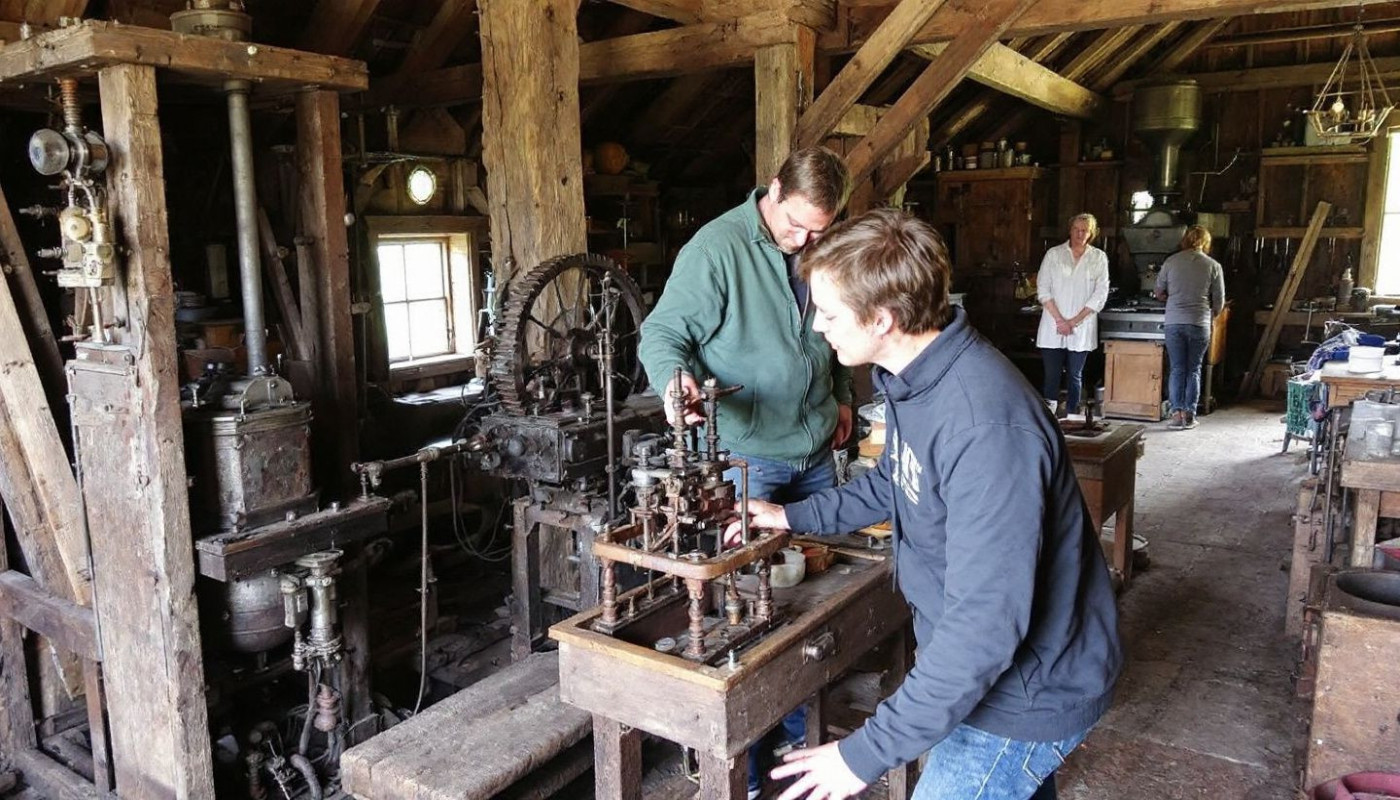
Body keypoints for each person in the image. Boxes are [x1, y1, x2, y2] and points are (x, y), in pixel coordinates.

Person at [727, 208, 1122, 800]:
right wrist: (790, 516)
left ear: (881, 318)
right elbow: (895, 482)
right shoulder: (917, 376)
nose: (818, 327)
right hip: (988, 673)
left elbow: (985, 625)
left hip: (1025, 692)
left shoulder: (983, 424)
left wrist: (864, 753)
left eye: (830, 314)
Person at [637, 146, 855, 799]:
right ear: (773, 188)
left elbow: (830, 326)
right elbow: (663, 333)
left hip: (816, 446)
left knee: (816, 606)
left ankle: (799, 732)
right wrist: (676, 385)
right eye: (797, 225)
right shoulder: (718, 249)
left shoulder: (819, 242)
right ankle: (747, 765)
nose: (808, 240)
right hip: (748, 459)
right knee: (745, 614)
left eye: (821, 229)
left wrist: (841, 392)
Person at [1036, 213, 1110, 415]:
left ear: (1091, 233)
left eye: (1084, 230)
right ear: (1070, 230)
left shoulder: (1098, 258)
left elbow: (1100, 294)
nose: (1079, 233)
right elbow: (1043, 289)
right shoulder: (1054, 254)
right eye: (1076, 229)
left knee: (1075, 375)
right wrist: (1061, 320)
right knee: (1051, 375)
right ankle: (1049, 417)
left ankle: (1072, 416)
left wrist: (1073, 322)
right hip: (1053, 324)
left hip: (1082, 325)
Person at [1155, 225, 1225, 430]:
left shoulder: (1171, 261)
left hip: (1174, 323)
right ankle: (1189, 415)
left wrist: (1171, 300)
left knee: (1177, 369)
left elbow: (1158, 291)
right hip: (1199, 323)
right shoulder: (1213, 266)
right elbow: (1219, 301)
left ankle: (1176, 414)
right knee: (1193, 370)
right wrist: (1209, 315)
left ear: (1185, 240)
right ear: (1205, 242)